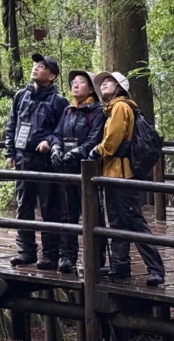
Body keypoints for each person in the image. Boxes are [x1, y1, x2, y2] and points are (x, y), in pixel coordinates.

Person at [89, 71, 165, 287]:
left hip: (122, 174)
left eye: (109, 81)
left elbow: (112, 140)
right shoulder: (112, 108)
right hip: (113, 173)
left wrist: (97, 150)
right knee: (117, 221)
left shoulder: (121, 106)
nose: (104, 84)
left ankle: (155, 268)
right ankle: (120, 265)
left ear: (119, 86)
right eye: (102, 82)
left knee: (134, 221)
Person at [4, 54, 68, 268]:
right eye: (35, 65)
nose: (36, 68)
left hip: (46, 161)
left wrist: (49, 141)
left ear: (51, 76)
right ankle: (26, 251)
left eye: (42, 67)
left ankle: (51, 255)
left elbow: (63, 131)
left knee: (50, 208)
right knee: (24, 205)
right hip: (24, 157)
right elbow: (12, 123)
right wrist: (10, 152)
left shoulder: (59, 102)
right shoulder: (21, 96)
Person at [48, 70, 106, 274]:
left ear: (90, 88)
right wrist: (55, 148)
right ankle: (67, 257)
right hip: (66, 170)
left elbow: (95, 139)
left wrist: (76, 153)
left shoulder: (97, 111)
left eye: (81, 82)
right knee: (67, 213)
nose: (75, 85)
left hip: (87, 170)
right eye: (73, 82)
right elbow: (56, 133)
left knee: (92, 214)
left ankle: (96, 259)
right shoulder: (68, 111)